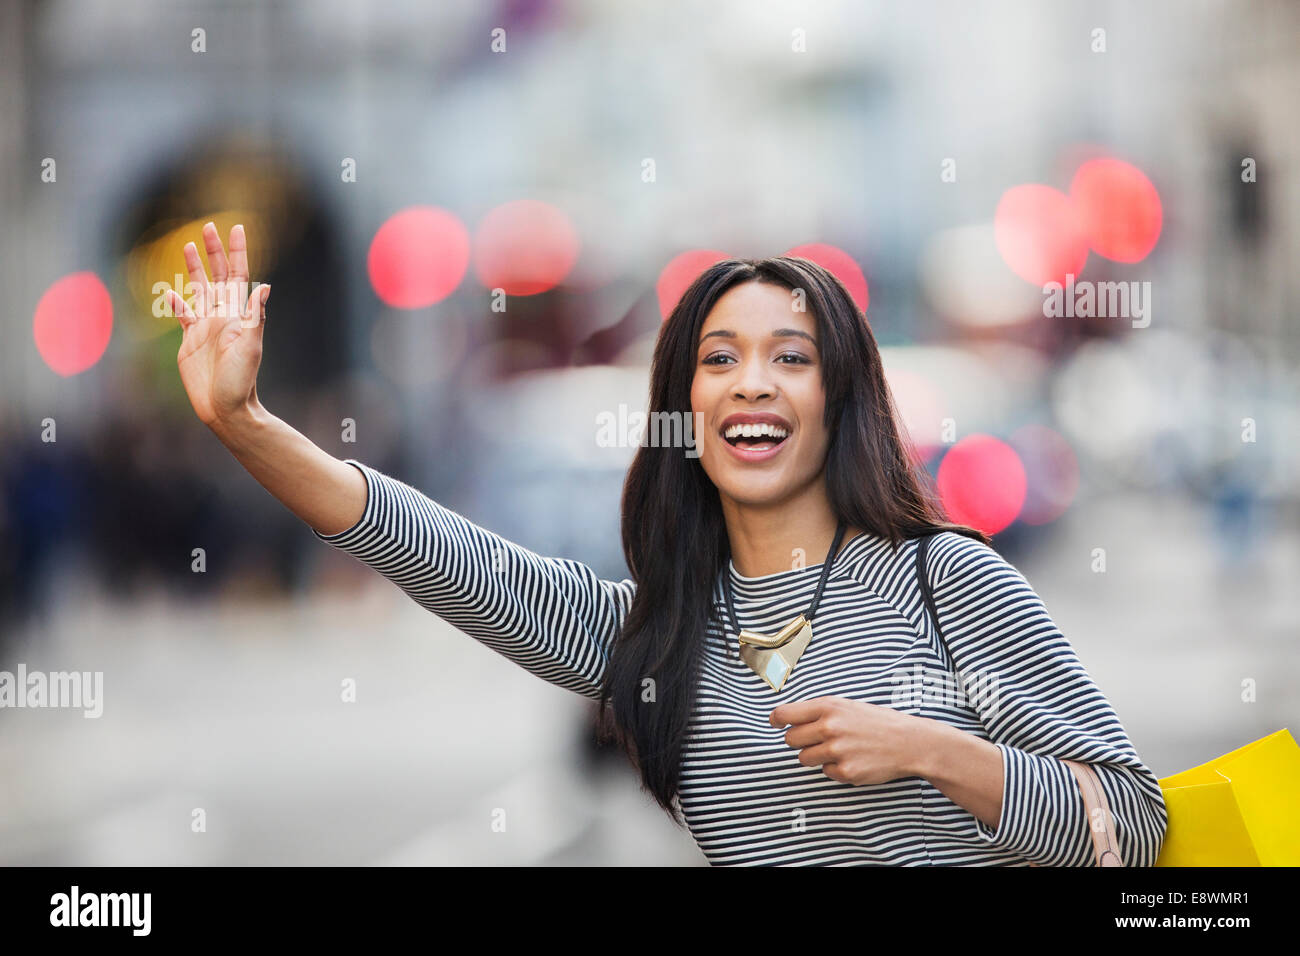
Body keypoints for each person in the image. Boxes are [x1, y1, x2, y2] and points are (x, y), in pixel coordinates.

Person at [167, 221, 1168, 866]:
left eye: (791, 357)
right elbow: (435, 550)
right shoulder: (655, 635)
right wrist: (245, 424)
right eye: (719, 359)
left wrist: (931, 749)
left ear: (840, 399)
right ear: (685, 411)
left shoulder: (944, 577)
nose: (751, 382)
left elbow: (1137, 821)